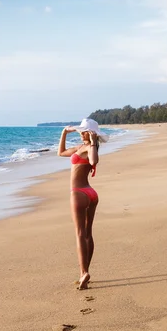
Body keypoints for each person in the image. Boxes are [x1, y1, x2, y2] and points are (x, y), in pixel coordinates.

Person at [57, 118, 109, 289]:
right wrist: (64, 133)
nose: (80, 133)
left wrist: (93, 143)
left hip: (79, 193)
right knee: (87, 234)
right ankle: (84, 271)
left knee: (80, 233)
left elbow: (94, 161)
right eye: (80, 131)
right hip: (90, 193)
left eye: (83, 131)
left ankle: (83, 273)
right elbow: (61, 152)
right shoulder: (80, 148)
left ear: (90, 133)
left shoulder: (89, 148)